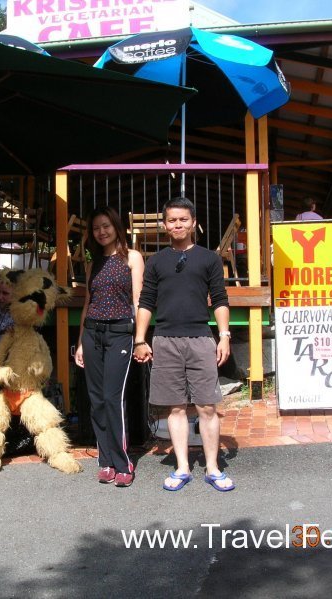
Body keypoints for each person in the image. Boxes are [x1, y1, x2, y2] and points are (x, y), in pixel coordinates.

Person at [133, 197, 234, 492]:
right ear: (165, 225)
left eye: (183, 220)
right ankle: (182, 467)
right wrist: (141, 339)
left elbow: (220, 299)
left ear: (193, 223)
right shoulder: (156, 261)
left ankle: (213, 468)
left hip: (202, 338)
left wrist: (224, 335)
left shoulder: (209, 258)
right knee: (175, 409)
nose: (178, 224)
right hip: (164, 339)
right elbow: (146, 301)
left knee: (207, 406)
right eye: (172, 220)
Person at [74, 207, 144, 488]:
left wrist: (140, 338)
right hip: (92, 333)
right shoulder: (94, 263)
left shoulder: (132, 258)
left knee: (113, 398)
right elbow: (87, 304)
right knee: (97, 399)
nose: (101, 232)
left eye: (106, 226)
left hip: (120, 334)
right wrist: (80, 342)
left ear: (116, 227)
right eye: (96, 228)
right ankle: (105, 460)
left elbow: (139, 300)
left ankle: (122, 461)